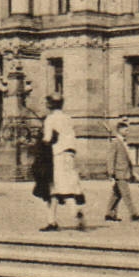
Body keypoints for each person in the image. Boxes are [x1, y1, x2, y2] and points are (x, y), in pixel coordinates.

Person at [39, 95, 85, 232]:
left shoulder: (50, 119)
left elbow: (47, 139)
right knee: (63, 186)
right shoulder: (68, 118)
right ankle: (52, 220)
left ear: (50, 105)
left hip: (56, 156)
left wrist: (39, 140)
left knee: (57, 187)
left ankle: (74, 212)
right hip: (70, 155)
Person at [104, 119, 139, 222]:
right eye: (126, 130)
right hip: (119, 173)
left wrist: (133, 172)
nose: (128, 132)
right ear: (120, 130)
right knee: (126, 194)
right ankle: (134, 214)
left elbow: (127, 161)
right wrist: (111, 174)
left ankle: (109, 214)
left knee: (116, 195)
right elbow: (110, 159)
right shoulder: (115, 142)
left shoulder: (123, 142)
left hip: (124, 173)